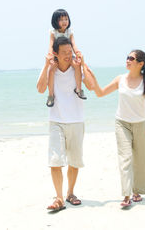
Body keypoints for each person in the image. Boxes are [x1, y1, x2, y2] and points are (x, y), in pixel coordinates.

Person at [89, 49, 145, 207]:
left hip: (141, 124)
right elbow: (100, 93)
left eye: (131, 58)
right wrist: (94, 79)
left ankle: (137, 191)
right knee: (125, 158)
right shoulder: (120, 79)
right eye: (127, 57)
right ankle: (126, 195)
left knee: (141, 160)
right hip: (122, 123)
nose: (127, 60)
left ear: (141, 64)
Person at [36, 36, 94, 211]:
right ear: (56, 54)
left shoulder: (77, 68)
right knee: (55, 160)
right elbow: (40, 89)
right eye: (65, 53)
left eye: (70, 52)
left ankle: (70, 193)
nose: (69, 56)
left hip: (76, 120)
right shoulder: (50, 68)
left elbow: (90, 86)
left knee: (74, 161)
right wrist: (46, 65)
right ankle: (59, 198)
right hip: (56, 120)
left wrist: (83, 64)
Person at [46, 9, 86, 107]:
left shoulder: (69, 32)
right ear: (55, 21)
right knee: (51, 71)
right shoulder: (53, 32)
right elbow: (51, 45)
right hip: (57, 56)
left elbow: (73, 44)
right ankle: (51, 95)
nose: (64, 22)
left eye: (66, 19)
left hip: (69, 56)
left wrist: (77, 53)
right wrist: (51, 56)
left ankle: (78, 89)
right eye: (61, 20)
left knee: (76, 66)